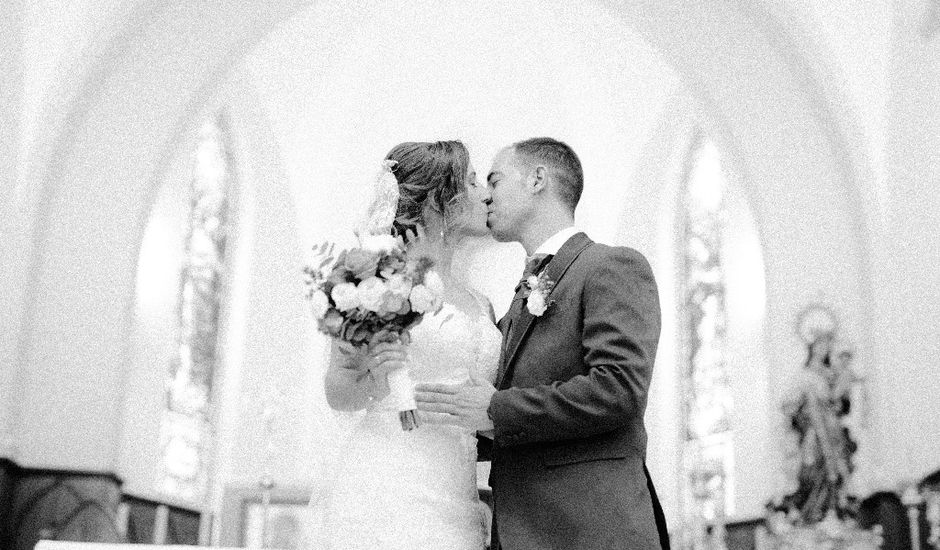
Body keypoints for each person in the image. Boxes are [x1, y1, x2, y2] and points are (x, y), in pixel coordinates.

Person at [415, 137, 670, 550]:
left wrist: (495, 410)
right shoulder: (518, 297)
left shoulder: (609, 266)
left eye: (494, 181)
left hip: (590, 527)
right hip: (519, 530)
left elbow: (618, 388)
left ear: (537, 179)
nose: (484, 197)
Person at [315, 141, 502, 549]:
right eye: (471, 182)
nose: (485, 193)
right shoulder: (377, 280)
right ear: (440, 200)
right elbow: (339, 391)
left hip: (457, 490)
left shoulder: (480, 302)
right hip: (388, 484)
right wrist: (380, 380)